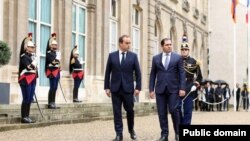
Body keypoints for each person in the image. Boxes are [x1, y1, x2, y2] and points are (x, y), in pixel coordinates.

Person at [104, 35, 141, 141]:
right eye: (127, 43)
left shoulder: (133, 56)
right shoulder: (112, 56)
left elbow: (138, 73)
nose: (129, 45)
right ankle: (119, 134)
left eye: (129, 43)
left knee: (130, 110)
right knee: (116, 112)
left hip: (128, 89)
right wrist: (107, 87)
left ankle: (131, 130)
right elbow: (107, 73)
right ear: (120, 43)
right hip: (115, 88)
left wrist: (138, 87)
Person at [149, 38, 185, 141]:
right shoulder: (155, 58)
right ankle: (164, 134)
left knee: (174, 110)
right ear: (162, 46)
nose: (169, 46)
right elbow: (152, 74)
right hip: (160, 90)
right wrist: (151, 89)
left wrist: (182, 88)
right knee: (161, 112)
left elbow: (181, 74)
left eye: (170, 44)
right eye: (167, 45)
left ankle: (178, 133)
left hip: (173, 89)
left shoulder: (178, 58)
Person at [179, 35, 203, 125]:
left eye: (186, 49)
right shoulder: (176, 60)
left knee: (188, 111)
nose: (184, 51)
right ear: (181, 51)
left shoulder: (194, 61)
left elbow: (200, 77)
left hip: (189, 88)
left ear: (188, 51)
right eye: (182, 50)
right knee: (177, 111)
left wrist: (196, 84)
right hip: (178, 88)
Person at [18, 39, 37, 123]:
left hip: (32, 79)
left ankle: (27, 116)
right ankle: (24, 117)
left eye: (33, 47)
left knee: (29, 99)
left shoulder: (31, 57)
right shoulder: (24, 56)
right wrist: (35, 62)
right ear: (27, 48)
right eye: (31, 47)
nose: (33, 49)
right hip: (25, 80)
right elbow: (28, 67)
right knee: (26, 98)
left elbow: (35, 70)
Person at [45, 34, 61, 109]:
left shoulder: (56, 53)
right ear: (50, 45)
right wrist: (58, 59)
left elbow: (58, 63)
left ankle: (53, 102)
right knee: (52, 87)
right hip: (52, 71)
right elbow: (53, 62)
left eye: (56, 45)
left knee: (55, 87)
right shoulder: (49, 53)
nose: (55, 46)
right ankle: (50, 103)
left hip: (57, 71)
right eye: (53, 45)